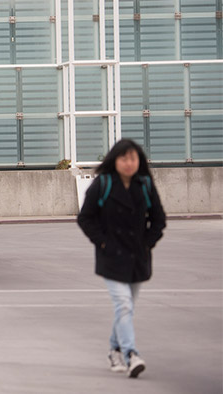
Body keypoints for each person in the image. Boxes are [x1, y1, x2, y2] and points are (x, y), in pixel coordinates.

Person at [77, 138, 166, 379]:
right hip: (111, 257)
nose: (129, 163)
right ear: (115, 160)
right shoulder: (103, 184)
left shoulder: (145, 184)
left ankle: (114, 350)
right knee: (124, 305)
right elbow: (85, 218)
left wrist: (147, 243)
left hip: (138, 257)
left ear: (139, 161)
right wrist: (103, 241)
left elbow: (159, 219)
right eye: (124, 158)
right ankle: (131, 355)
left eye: (133, 158)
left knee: (126, 308)